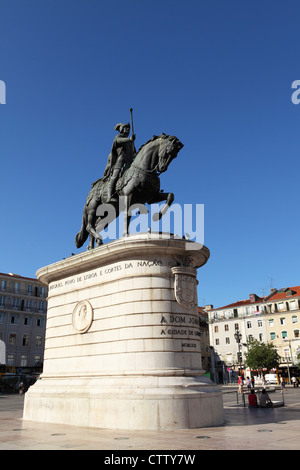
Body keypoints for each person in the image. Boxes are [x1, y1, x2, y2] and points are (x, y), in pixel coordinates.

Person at [103, 122, 136, 202]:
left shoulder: (131, 142)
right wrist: (129, 139)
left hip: (130, 162)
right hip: (121, 160)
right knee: (115, 176)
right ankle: (109, 196)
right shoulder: (119, 137)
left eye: (128, 128)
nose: (128, 130)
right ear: (122, 129)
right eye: (126, 128)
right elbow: (117, 141)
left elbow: (134, 152)